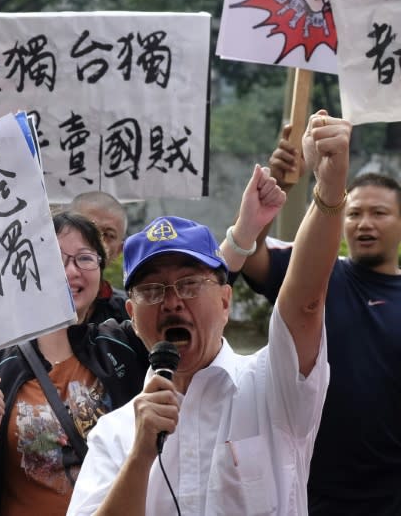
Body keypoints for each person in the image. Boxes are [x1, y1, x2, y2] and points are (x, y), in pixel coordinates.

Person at [67, 111, 351, 515]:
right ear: (131, 313)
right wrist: (141, 456)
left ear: (224, 301)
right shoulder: (115, 434)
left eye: (189, 284)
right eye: (152, 290)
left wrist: (328, 189)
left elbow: (305, 303)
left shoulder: (272, 387)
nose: (171, 302)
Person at [0, 211, 150, 516]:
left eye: (85, 258)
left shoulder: (124, 345)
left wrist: (235, 240)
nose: (71, 272)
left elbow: (186, 310)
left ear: (101, 270)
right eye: (54, 258)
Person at [242, 124, 401, 513]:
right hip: (307, 487)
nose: (365, 223)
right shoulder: (316, 272)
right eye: (355, 212)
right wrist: (275, 192)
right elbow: (249, 254)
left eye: (379, 213)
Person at [67, 191, 130, 324]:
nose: (98, 241)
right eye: (88, 229)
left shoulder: (128, 312)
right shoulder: (34, 301)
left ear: (119, 250)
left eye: (108, 234)